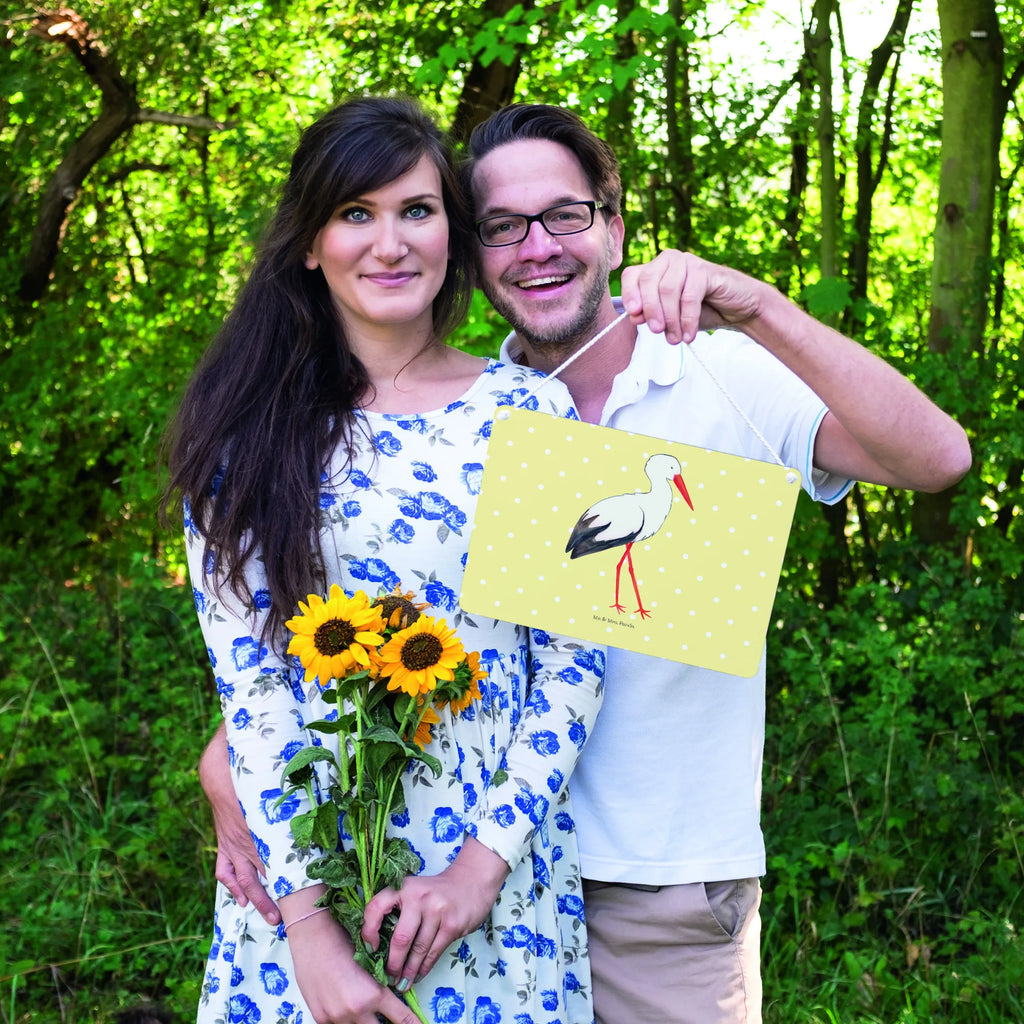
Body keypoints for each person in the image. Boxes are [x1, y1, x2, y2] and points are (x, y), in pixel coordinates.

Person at [202, 102, 972, 1024]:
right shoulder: (465, 414)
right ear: (474, 250)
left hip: (657, 887)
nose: (537, 247)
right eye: (502, 227)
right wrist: (234, 767)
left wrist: (760, 306)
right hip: (443, 876)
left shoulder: (714, 372)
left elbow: (938, 461)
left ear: (612, 226)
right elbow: (343, 632)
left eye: (565, 215)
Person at [165, 96, 608, 1024]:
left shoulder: (534, 413)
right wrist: (311, 936)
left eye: (417, 210)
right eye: (355, 214)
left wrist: (478, 873)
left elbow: (573, 665)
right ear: (308, 243)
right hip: (303, 887)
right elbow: (253, 692)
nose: (390, 242)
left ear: (452, 229)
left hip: (492, 888)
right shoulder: (243, 438)